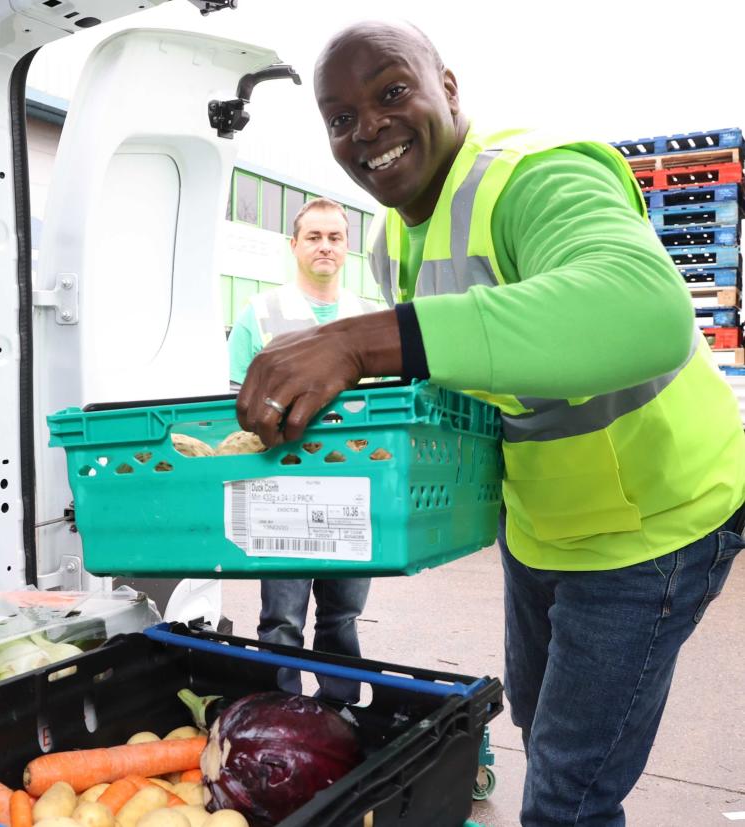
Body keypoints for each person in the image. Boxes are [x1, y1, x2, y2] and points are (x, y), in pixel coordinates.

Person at [235, 21, 745, 827]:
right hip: (544, 522)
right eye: (339, 117)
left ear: (449, 88)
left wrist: (365, 339)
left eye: (391, 92)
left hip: (657, 526)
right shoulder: (391, 241)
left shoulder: (535, 177)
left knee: (568, 792)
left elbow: (645, 311)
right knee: (538, 727)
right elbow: (472, 376)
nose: (366, 128)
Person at [227, 197, 378, 703]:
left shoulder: (369, 318)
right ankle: (279, 715)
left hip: (351, 492)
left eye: (335, 237)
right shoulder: (262, 313)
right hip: (281, 490)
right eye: (314, 237)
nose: (325, 247)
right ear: (294, 245)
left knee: (342, 616)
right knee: (282, 620)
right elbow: (234, 407)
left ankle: (340, 713)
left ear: (347, 247)